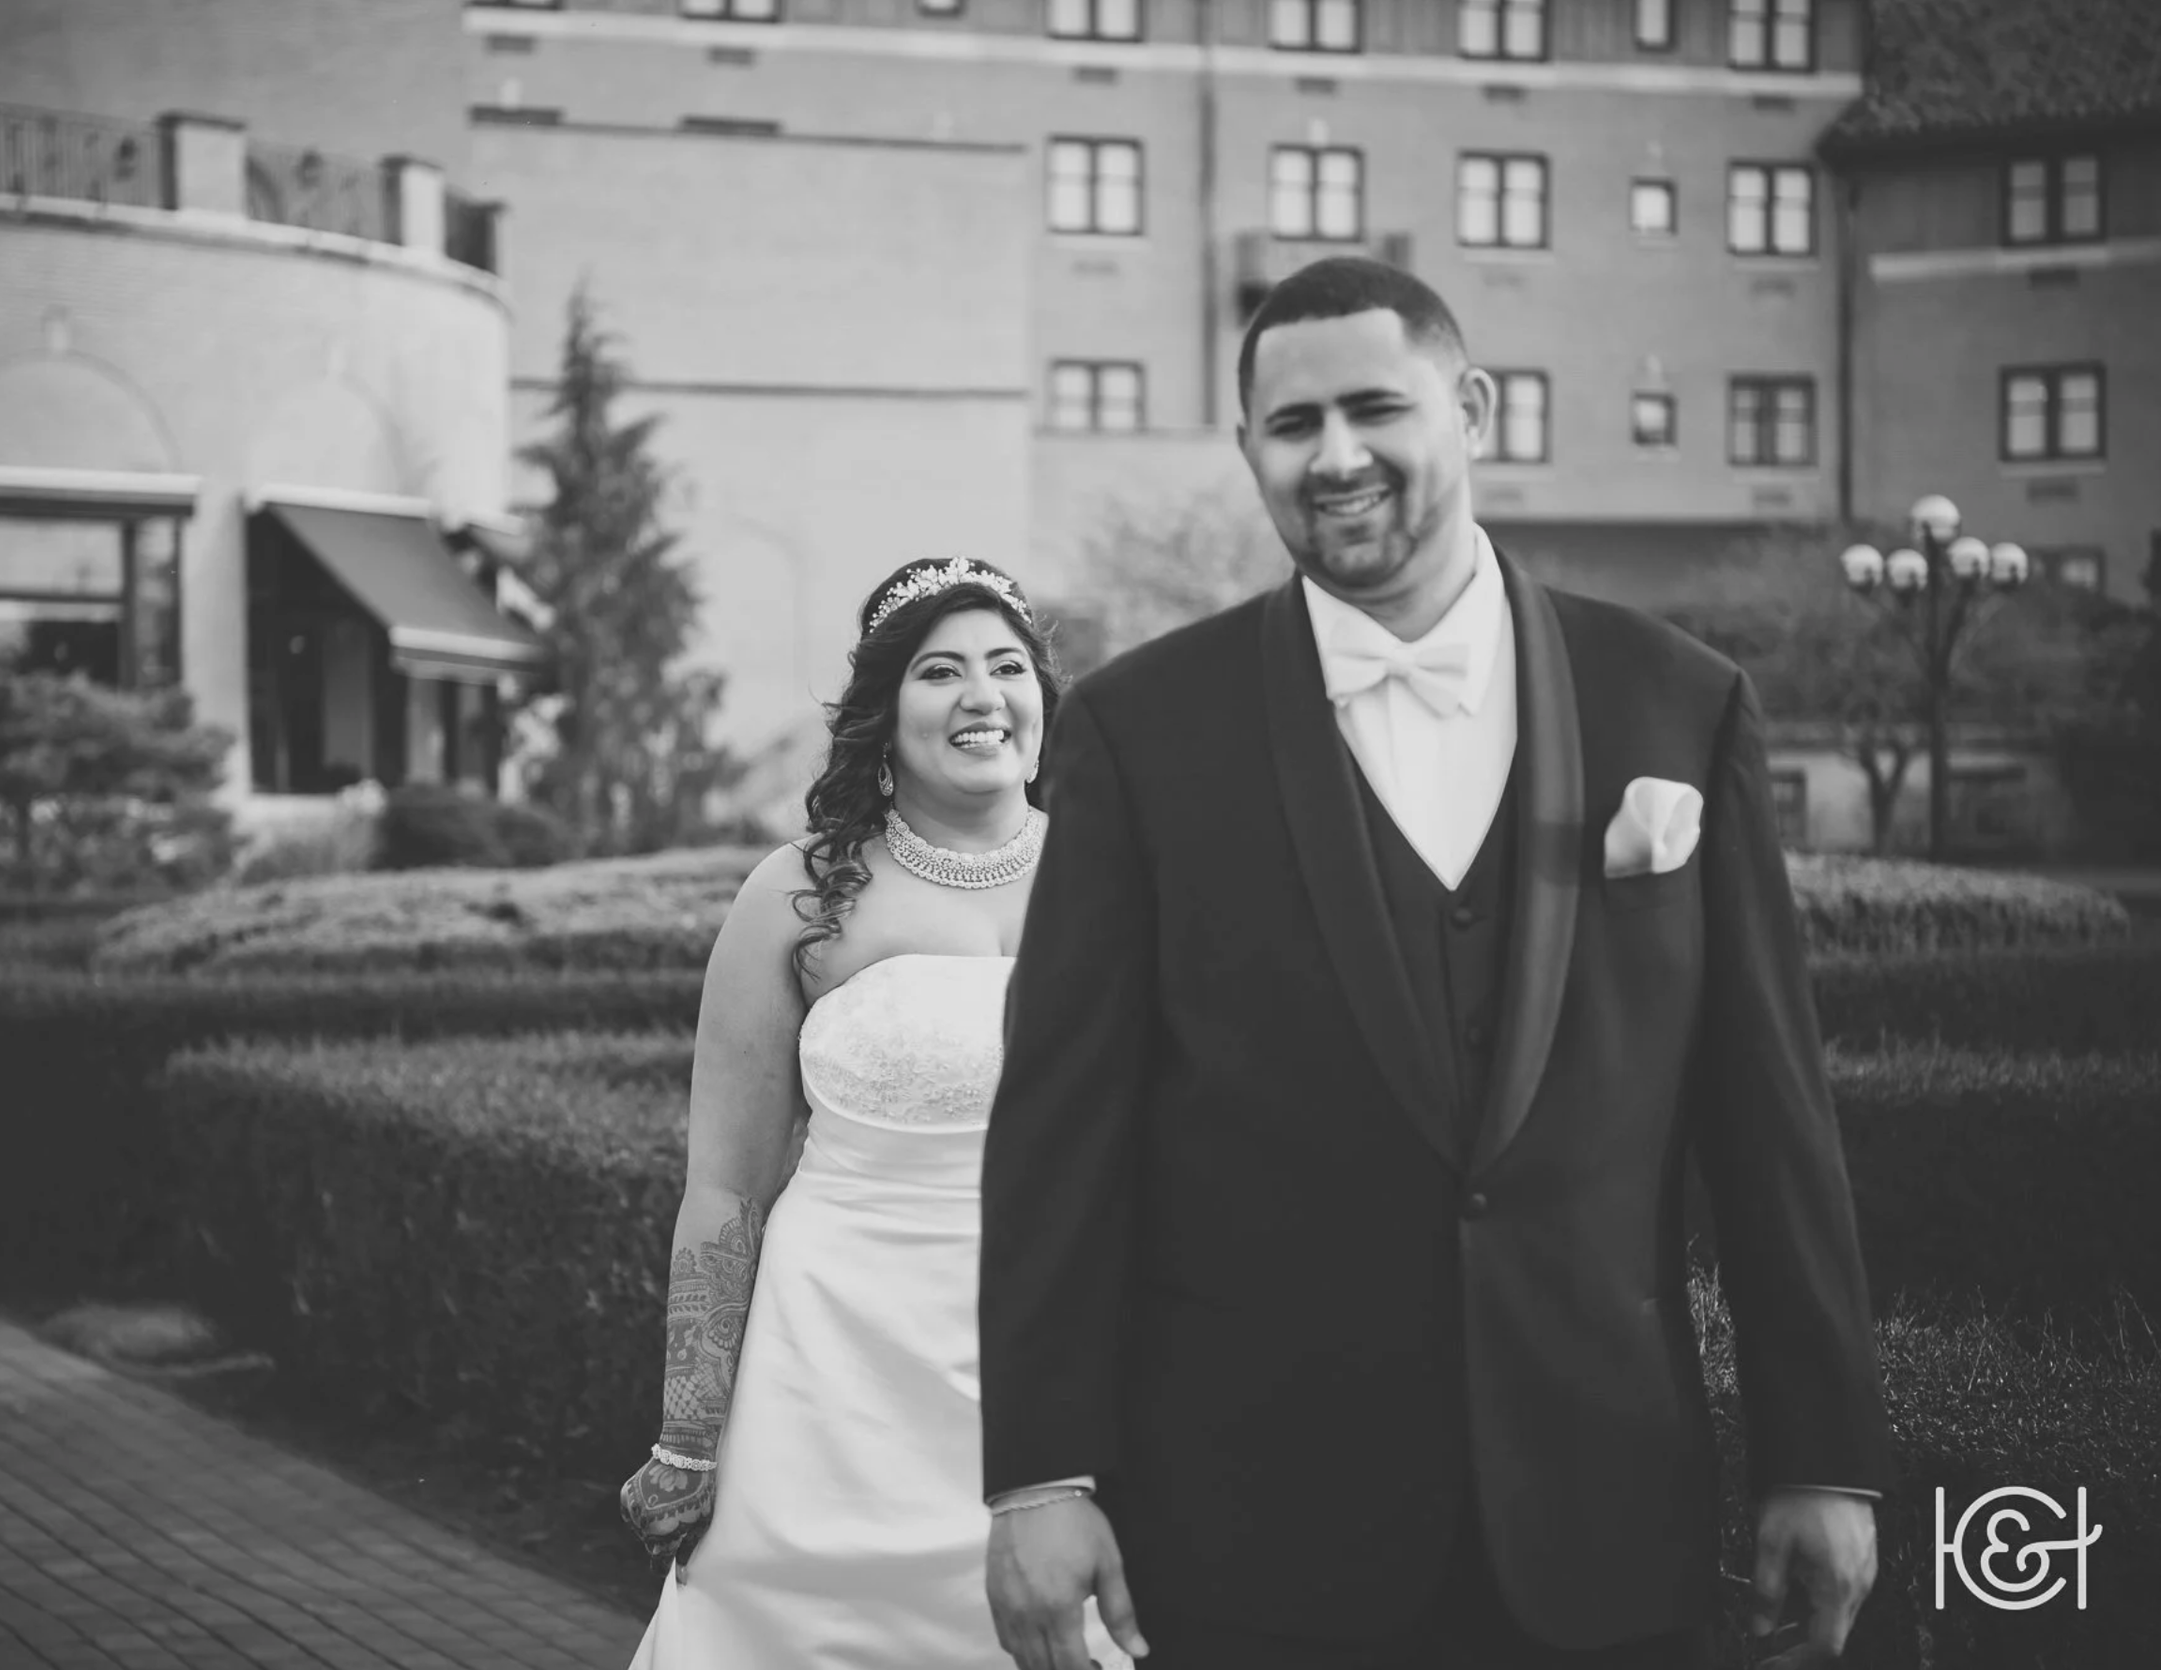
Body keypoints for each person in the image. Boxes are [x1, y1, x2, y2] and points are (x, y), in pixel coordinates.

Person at [979, 257, 1896, 1670]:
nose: (1335, 458)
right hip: (1254, 1530)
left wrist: (1825, 1452)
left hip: (1609, 1515)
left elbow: (1770, 1114)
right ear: (1249, 453)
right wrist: (1042, 1473)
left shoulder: (1677, 701)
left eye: (1374, 408)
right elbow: (1060, 1136)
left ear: (1468, 408)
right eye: (1293, 427)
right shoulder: (1134, 733)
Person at [621, 556, 1126, 1670]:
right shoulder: (798, 894)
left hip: (1063, 1353)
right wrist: (687, 1433)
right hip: (832, 1371)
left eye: (1007, 665)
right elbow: (726, 1185)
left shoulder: (1120, 877)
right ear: (885, 712)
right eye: (941, 670)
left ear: (1043, 698)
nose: (981, 694)